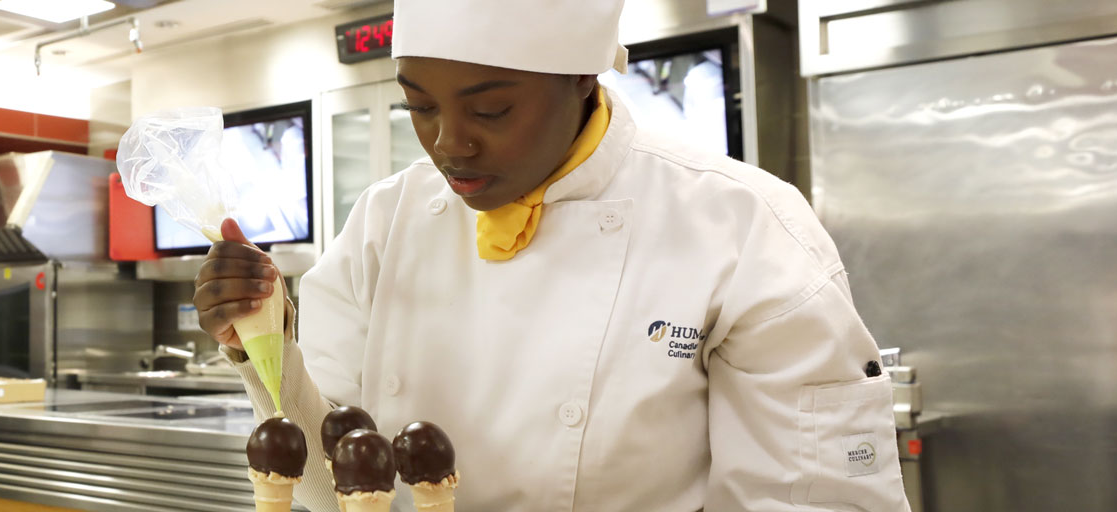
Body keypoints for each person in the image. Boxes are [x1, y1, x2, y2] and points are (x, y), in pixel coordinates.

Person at [193, 1, 911, 510]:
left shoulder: (741, 226)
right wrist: (262, 341)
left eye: (491, 110)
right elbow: (331, 486)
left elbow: (812, 501)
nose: (449, 144)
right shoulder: (387, 221)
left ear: (581, 78)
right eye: (420, 105)